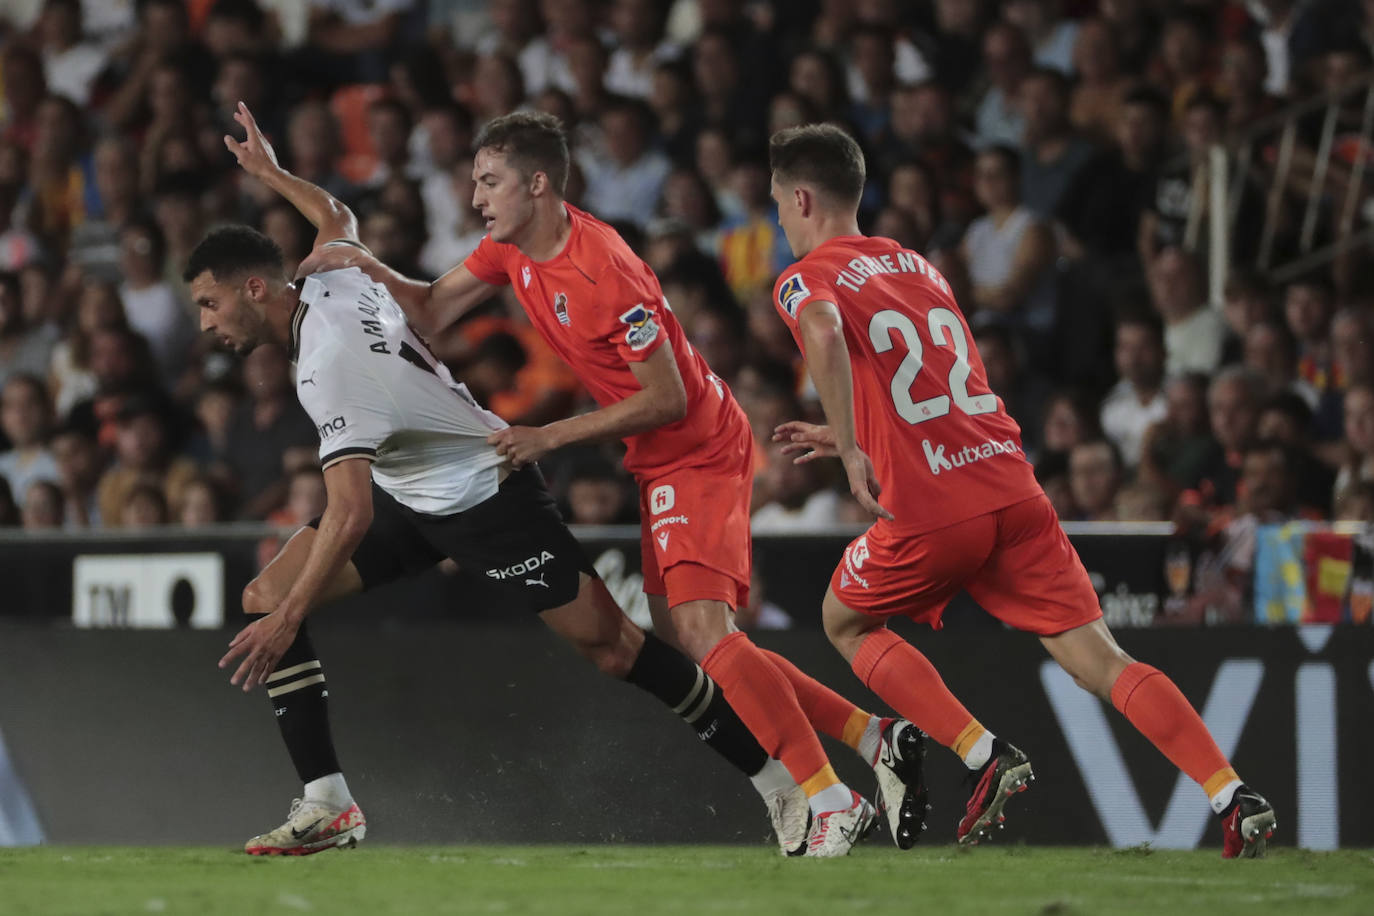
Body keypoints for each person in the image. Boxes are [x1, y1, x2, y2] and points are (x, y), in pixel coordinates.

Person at [213, 103, 923, 858]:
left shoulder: (604, 267)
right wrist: (363, 259)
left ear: (540, 183)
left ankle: (816, 792)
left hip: (680, 450)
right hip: (470, 482)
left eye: (489, 182)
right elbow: (424, 304)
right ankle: (869, 740)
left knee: (665, 642)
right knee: (707, 641)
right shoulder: (507, 250)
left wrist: (547, 434)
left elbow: (668, 398)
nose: (476, 198)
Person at [765, 123, 1276, 858]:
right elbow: (928, 391)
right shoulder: (920, 266)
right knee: (1102, 660)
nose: (781, 219)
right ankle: (1231, 792)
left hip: (935, 509)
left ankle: (981, 754)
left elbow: (820, 332)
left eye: (781, 204)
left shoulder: (804, 275)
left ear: (803, 198)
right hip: (1010, 485)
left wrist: (849, 446)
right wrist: (850, 429)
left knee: (843, 621)